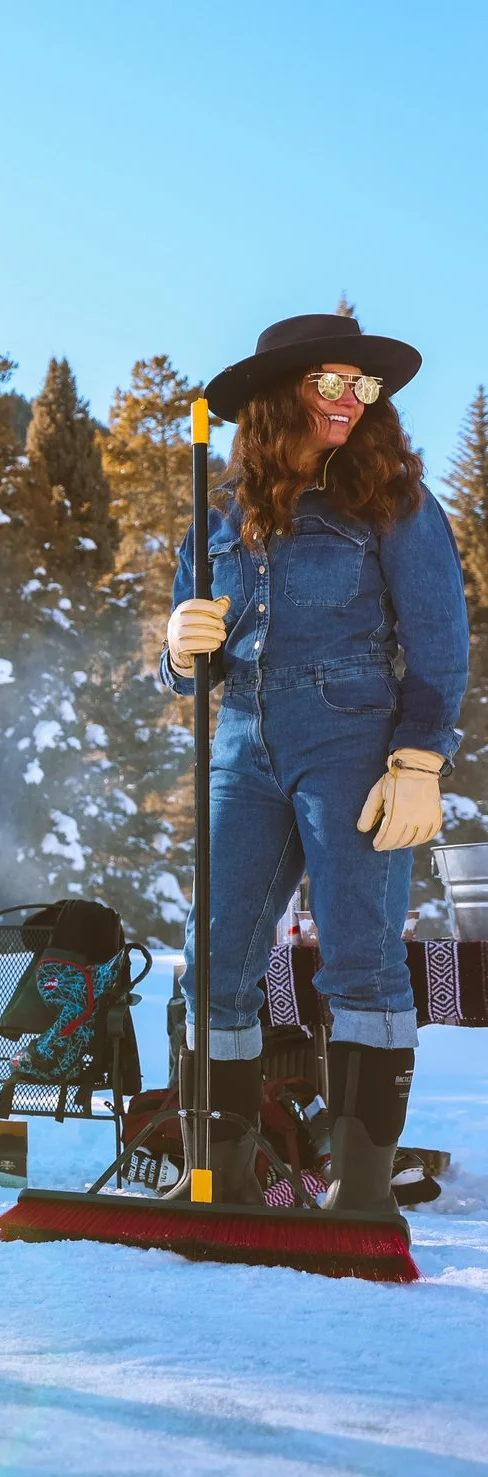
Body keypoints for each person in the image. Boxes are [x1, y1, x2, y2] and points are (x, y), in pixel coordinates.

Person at [164, 314, 467, 1212]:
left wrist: (420, 759)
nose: (349, 401)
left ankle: (360, 1191)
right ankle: (220, 1183)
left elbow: (440, 641)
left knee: (361, 965)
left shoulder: (393, 501)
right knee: (213, 965)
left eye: (361, 386)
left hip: (353, 739)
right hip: (240, 745)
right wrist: (180, 648)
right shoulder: (216, 514)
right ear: (276, 396)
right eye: (328, 383)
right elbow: (190, 667)